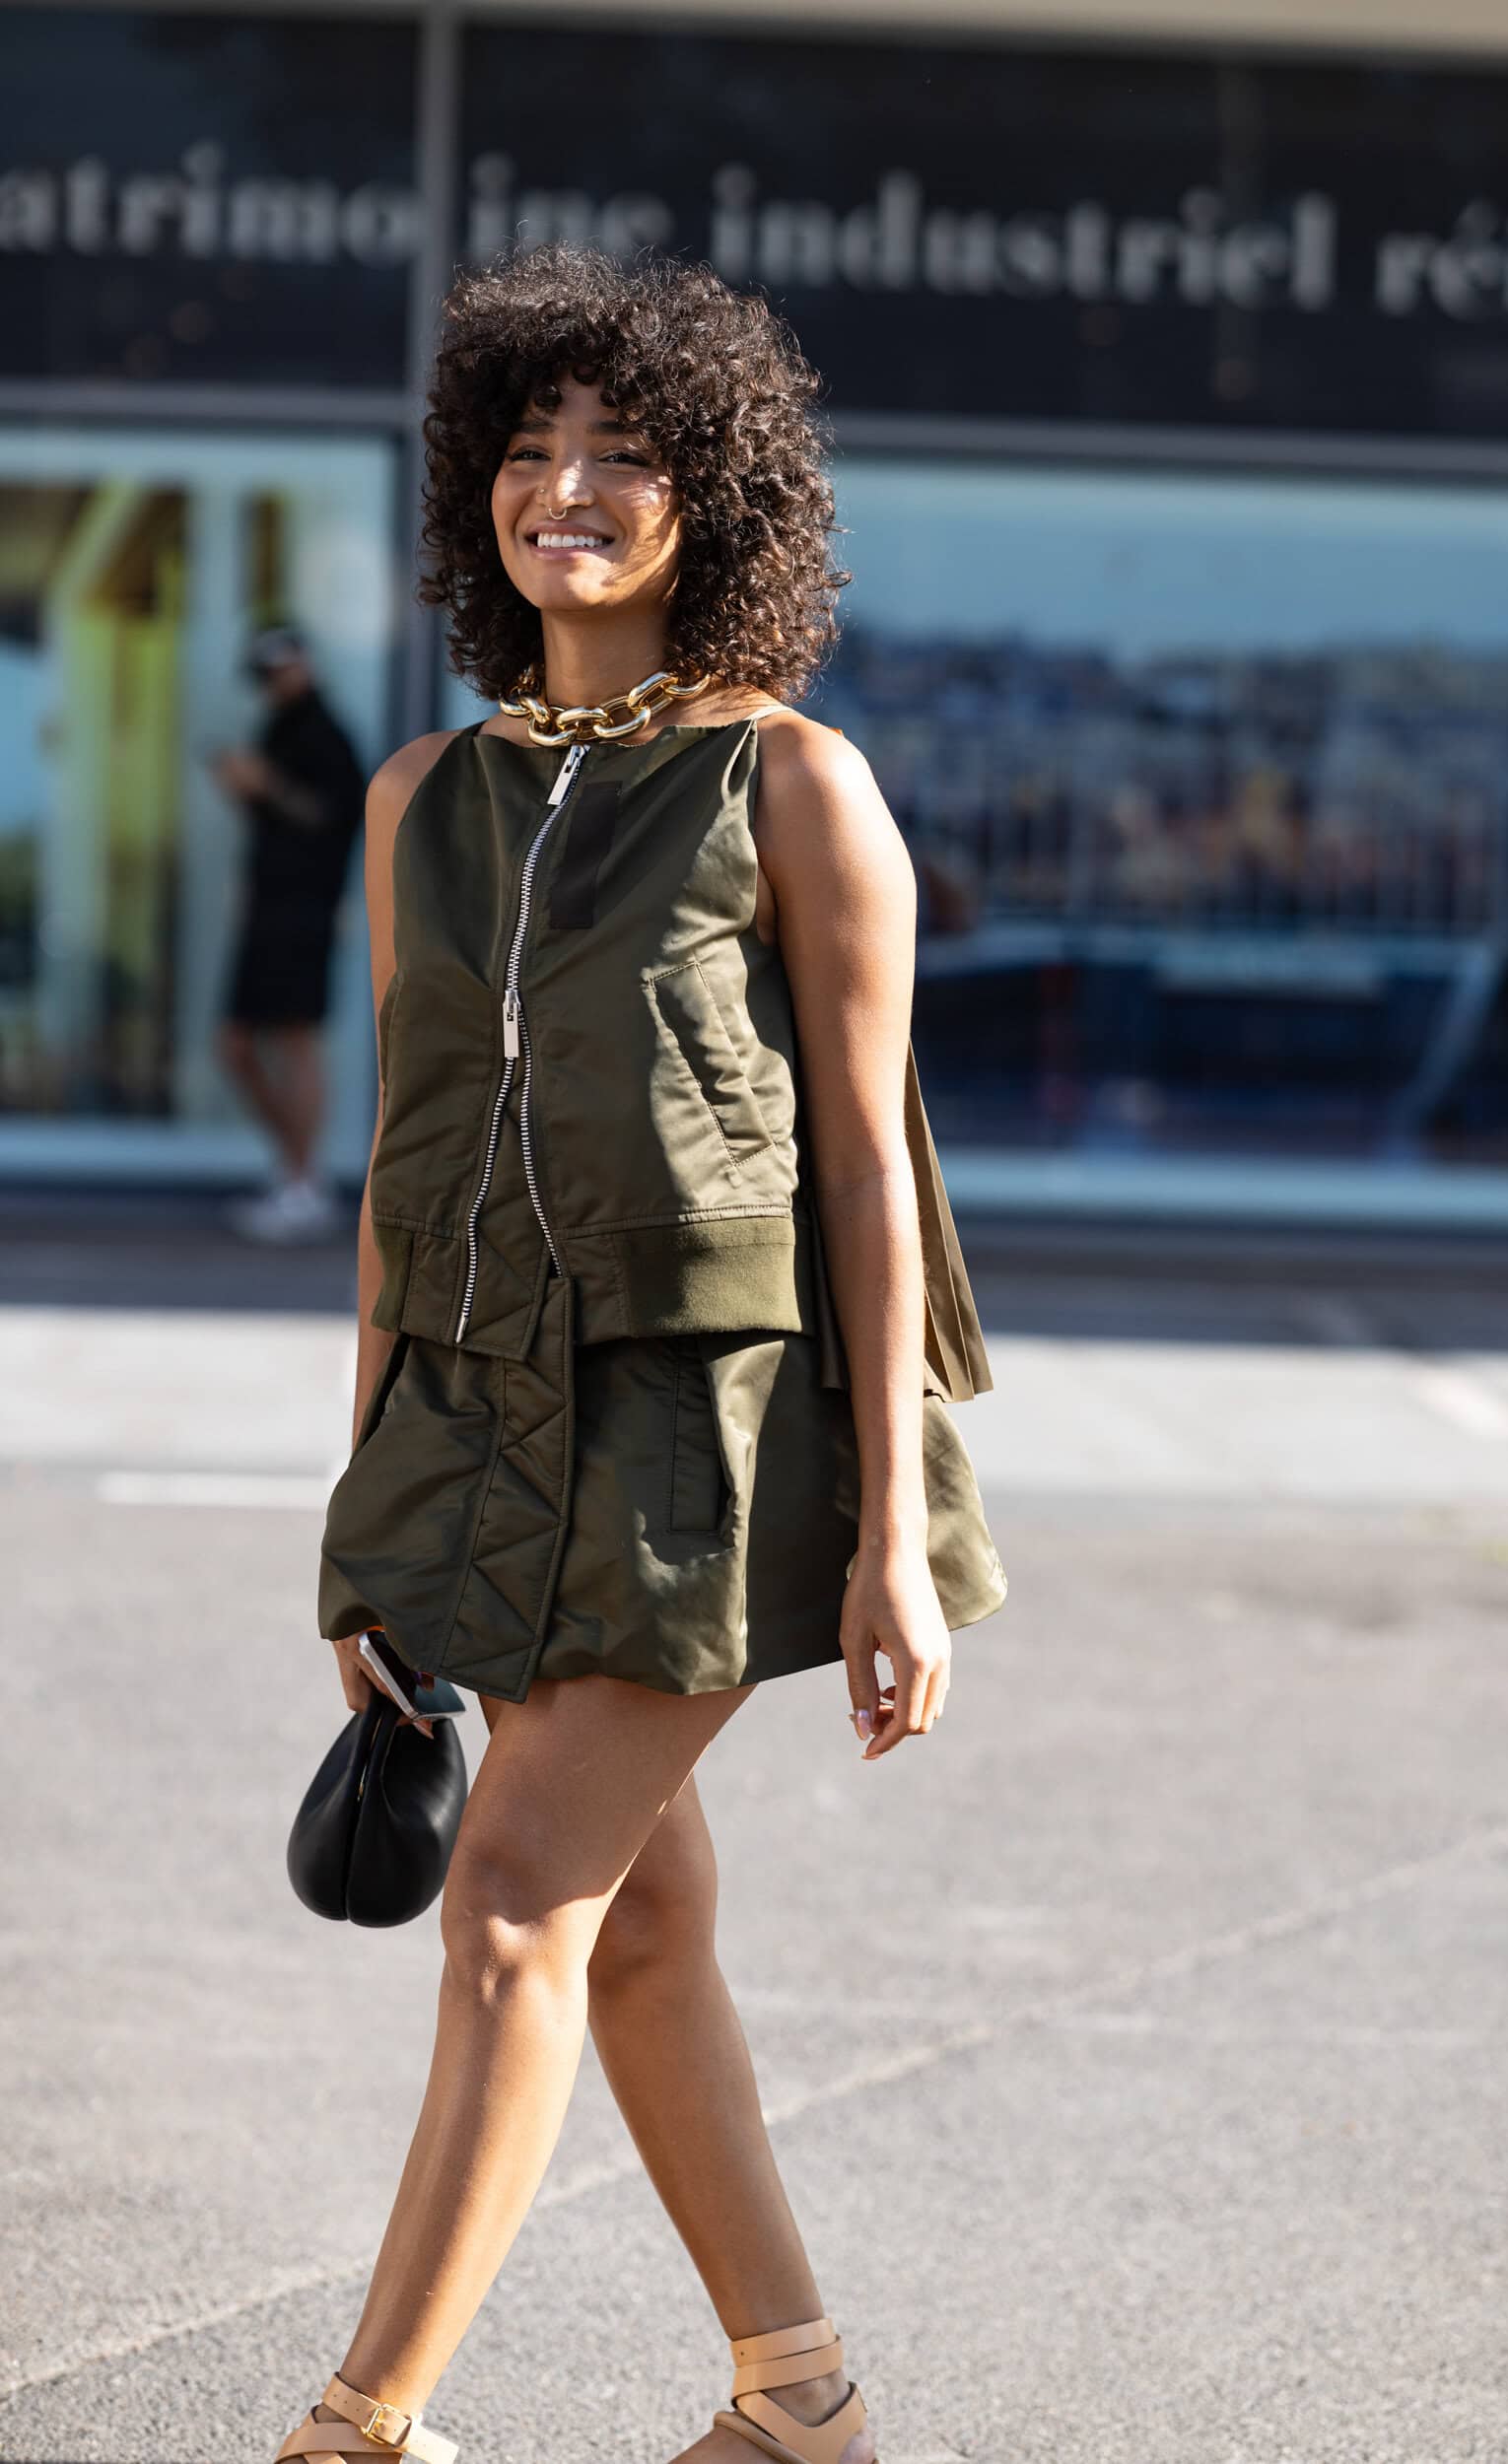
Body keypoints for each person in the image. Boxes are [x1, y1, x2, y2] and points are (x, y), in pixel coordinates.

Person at [275, 241, 1008, 2464]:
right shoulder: (422, 796)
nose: (566, 491)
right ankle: (798, 2397)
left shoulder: (793, 781)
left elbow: (868, 1174)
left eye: (621, 455)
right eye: (529, 449)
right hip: (476, 1418)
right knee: (645, 1920)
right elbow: (403, 1164)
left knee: (513, 1903)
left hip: (719, 1433)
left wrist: (891, 1542)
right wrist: (369, 1506)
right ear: (473, 492)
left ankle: (360, 2425)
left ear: (719, 503)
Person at [214, 623, 367, 1243]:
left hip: (305, 913)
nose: (274, 681)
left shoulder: (328, 735)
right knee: (237, 1047)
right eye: (265, 673)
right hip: (269, 910)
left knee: (297, 1041)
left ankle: (303, 1183)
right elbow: (278, 823)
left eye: (280, 668)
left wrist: (266, 785)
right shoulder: (276, 727)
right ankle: (297, 1171)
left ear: (303, 663)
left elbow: (332, 820)